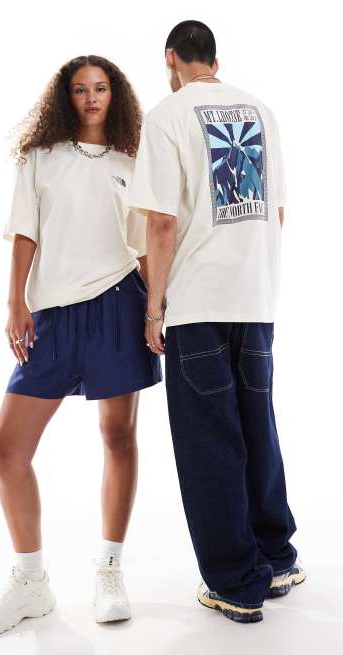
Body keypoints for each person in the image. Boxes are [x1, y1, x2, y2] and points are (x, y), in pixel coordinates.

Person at [0, 55, 162, 635]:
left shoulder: (133, 160)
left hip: (118, 304)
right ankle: (31, 582)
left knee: (117, 436)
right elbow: (24, 231)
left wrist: (156, 309)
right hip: (52, 314)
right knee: (6, 450)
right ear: (65, 97)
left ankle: (109, 571)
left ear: (115, 95)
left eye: (100, 88)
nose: (92, 97)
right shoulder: (40, 157)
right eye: (80, 89)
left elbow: (146, 244)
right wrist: (15, 302)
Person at [129, 20, 305, 624]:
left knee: (209, 442)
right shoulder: (260, 111)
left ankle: (235, 582)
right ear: (216, 61)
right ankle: (276, 558)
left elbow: (160, 223)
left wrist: (154, 306)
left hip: (199, 302)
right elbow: (275, 210)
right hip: (255, 298)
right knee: (258, 428)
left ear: (171, 59)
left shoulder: (167, 116)